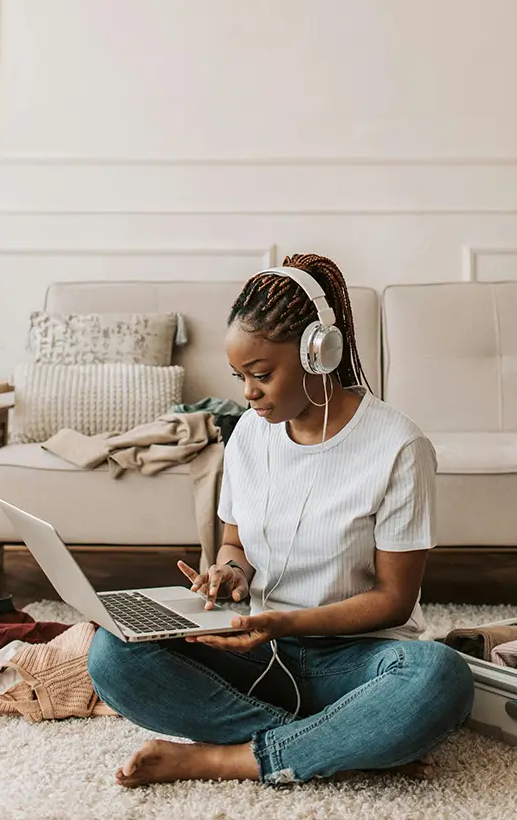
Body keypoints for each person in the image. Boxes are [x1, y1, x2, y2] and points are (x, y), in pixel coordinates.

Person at [87, 254, 474, 788]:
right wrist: (229, 575)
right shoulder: (248, 432)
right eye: (240, 376)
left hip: (355, 664)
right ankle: (342, 744)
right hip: (259, 652)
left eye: (262, 375)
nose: (248, 392)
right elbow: (234, 544)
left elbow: (393, 600)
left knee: (439, 676)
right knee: (112, 652)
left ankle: (226, 759)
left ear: (320, 354)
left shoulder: (398, 446)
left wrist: (284, 624)